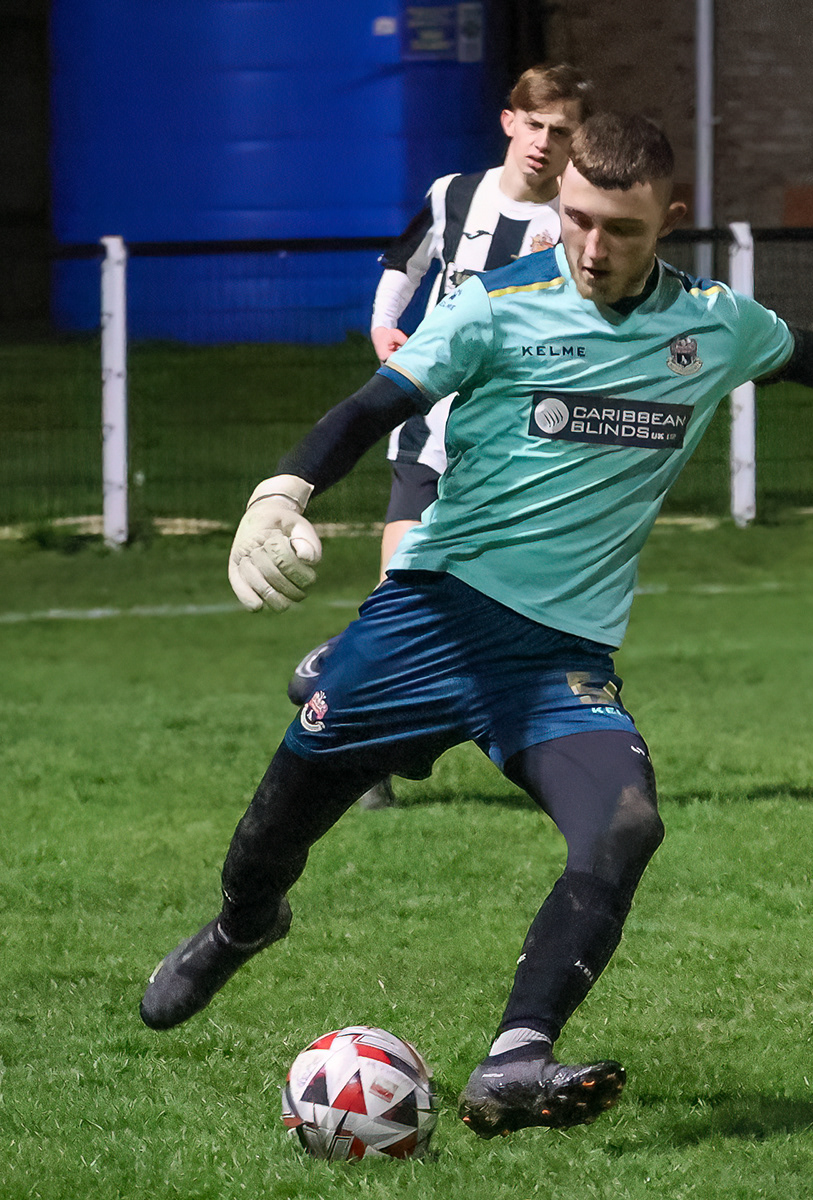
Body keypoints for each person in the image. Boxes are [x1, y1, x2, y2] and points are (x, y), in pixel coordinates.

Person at [139, 113, 813, 1140]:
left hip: (559, 656)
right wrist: (282, 488)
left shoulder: (714, 326)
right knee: (271, 834)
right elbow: (374, 404)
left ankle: (516, 1059)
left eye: (623, 230)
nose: (594, 249)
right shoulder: (496, 308)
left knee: (625, 825)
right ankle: (245, 926)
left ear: (670, 223)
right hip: (428, 621)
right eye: (579, 221)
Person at [288, 63, 592, 809]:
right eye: (537, 125)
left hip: (519, 436)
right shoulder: (454, 194)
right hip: (431, 420)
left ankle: (524, 732)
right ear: (509, 121)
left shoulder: (577, 218)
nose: (546, 144)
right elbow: (405, 260)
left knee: (501, 594)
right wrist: (384, 324)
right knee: (402, 587)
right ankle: (368, 755)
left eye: (564, 132)